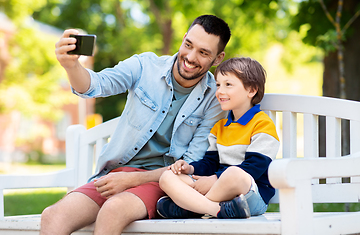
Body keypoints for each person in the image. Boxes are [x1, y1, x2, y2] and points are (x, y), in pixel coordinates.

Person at [40, 15, 231, 235]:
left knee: (113, 209)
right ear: (184, 37)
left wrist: (133, 179)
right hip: (114, 174)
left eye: (203, 52)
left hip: (165, 182)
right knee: (53, 216)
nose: (190, 56)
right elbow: (97, 85)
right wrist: (71, 66)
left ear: (218, 58)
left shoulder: (214, 99)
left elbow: (191, 164)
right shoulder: (144, 66)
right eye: (188, 45)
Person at [156, 57, 280, 219]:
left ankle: (191, 207)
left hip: (249, 196)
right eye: (218, 84)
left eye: (228, 84)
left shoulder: (262, 124)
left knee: (234, 173)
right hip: (220, 193)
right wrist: (190, 168)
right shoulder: (219, 127)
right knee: (168, 176)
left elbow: (254, 167)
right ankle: (215, 210)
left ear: (251, 90)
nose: (220, 91)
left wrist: (215, 179)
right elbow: (210, 163)